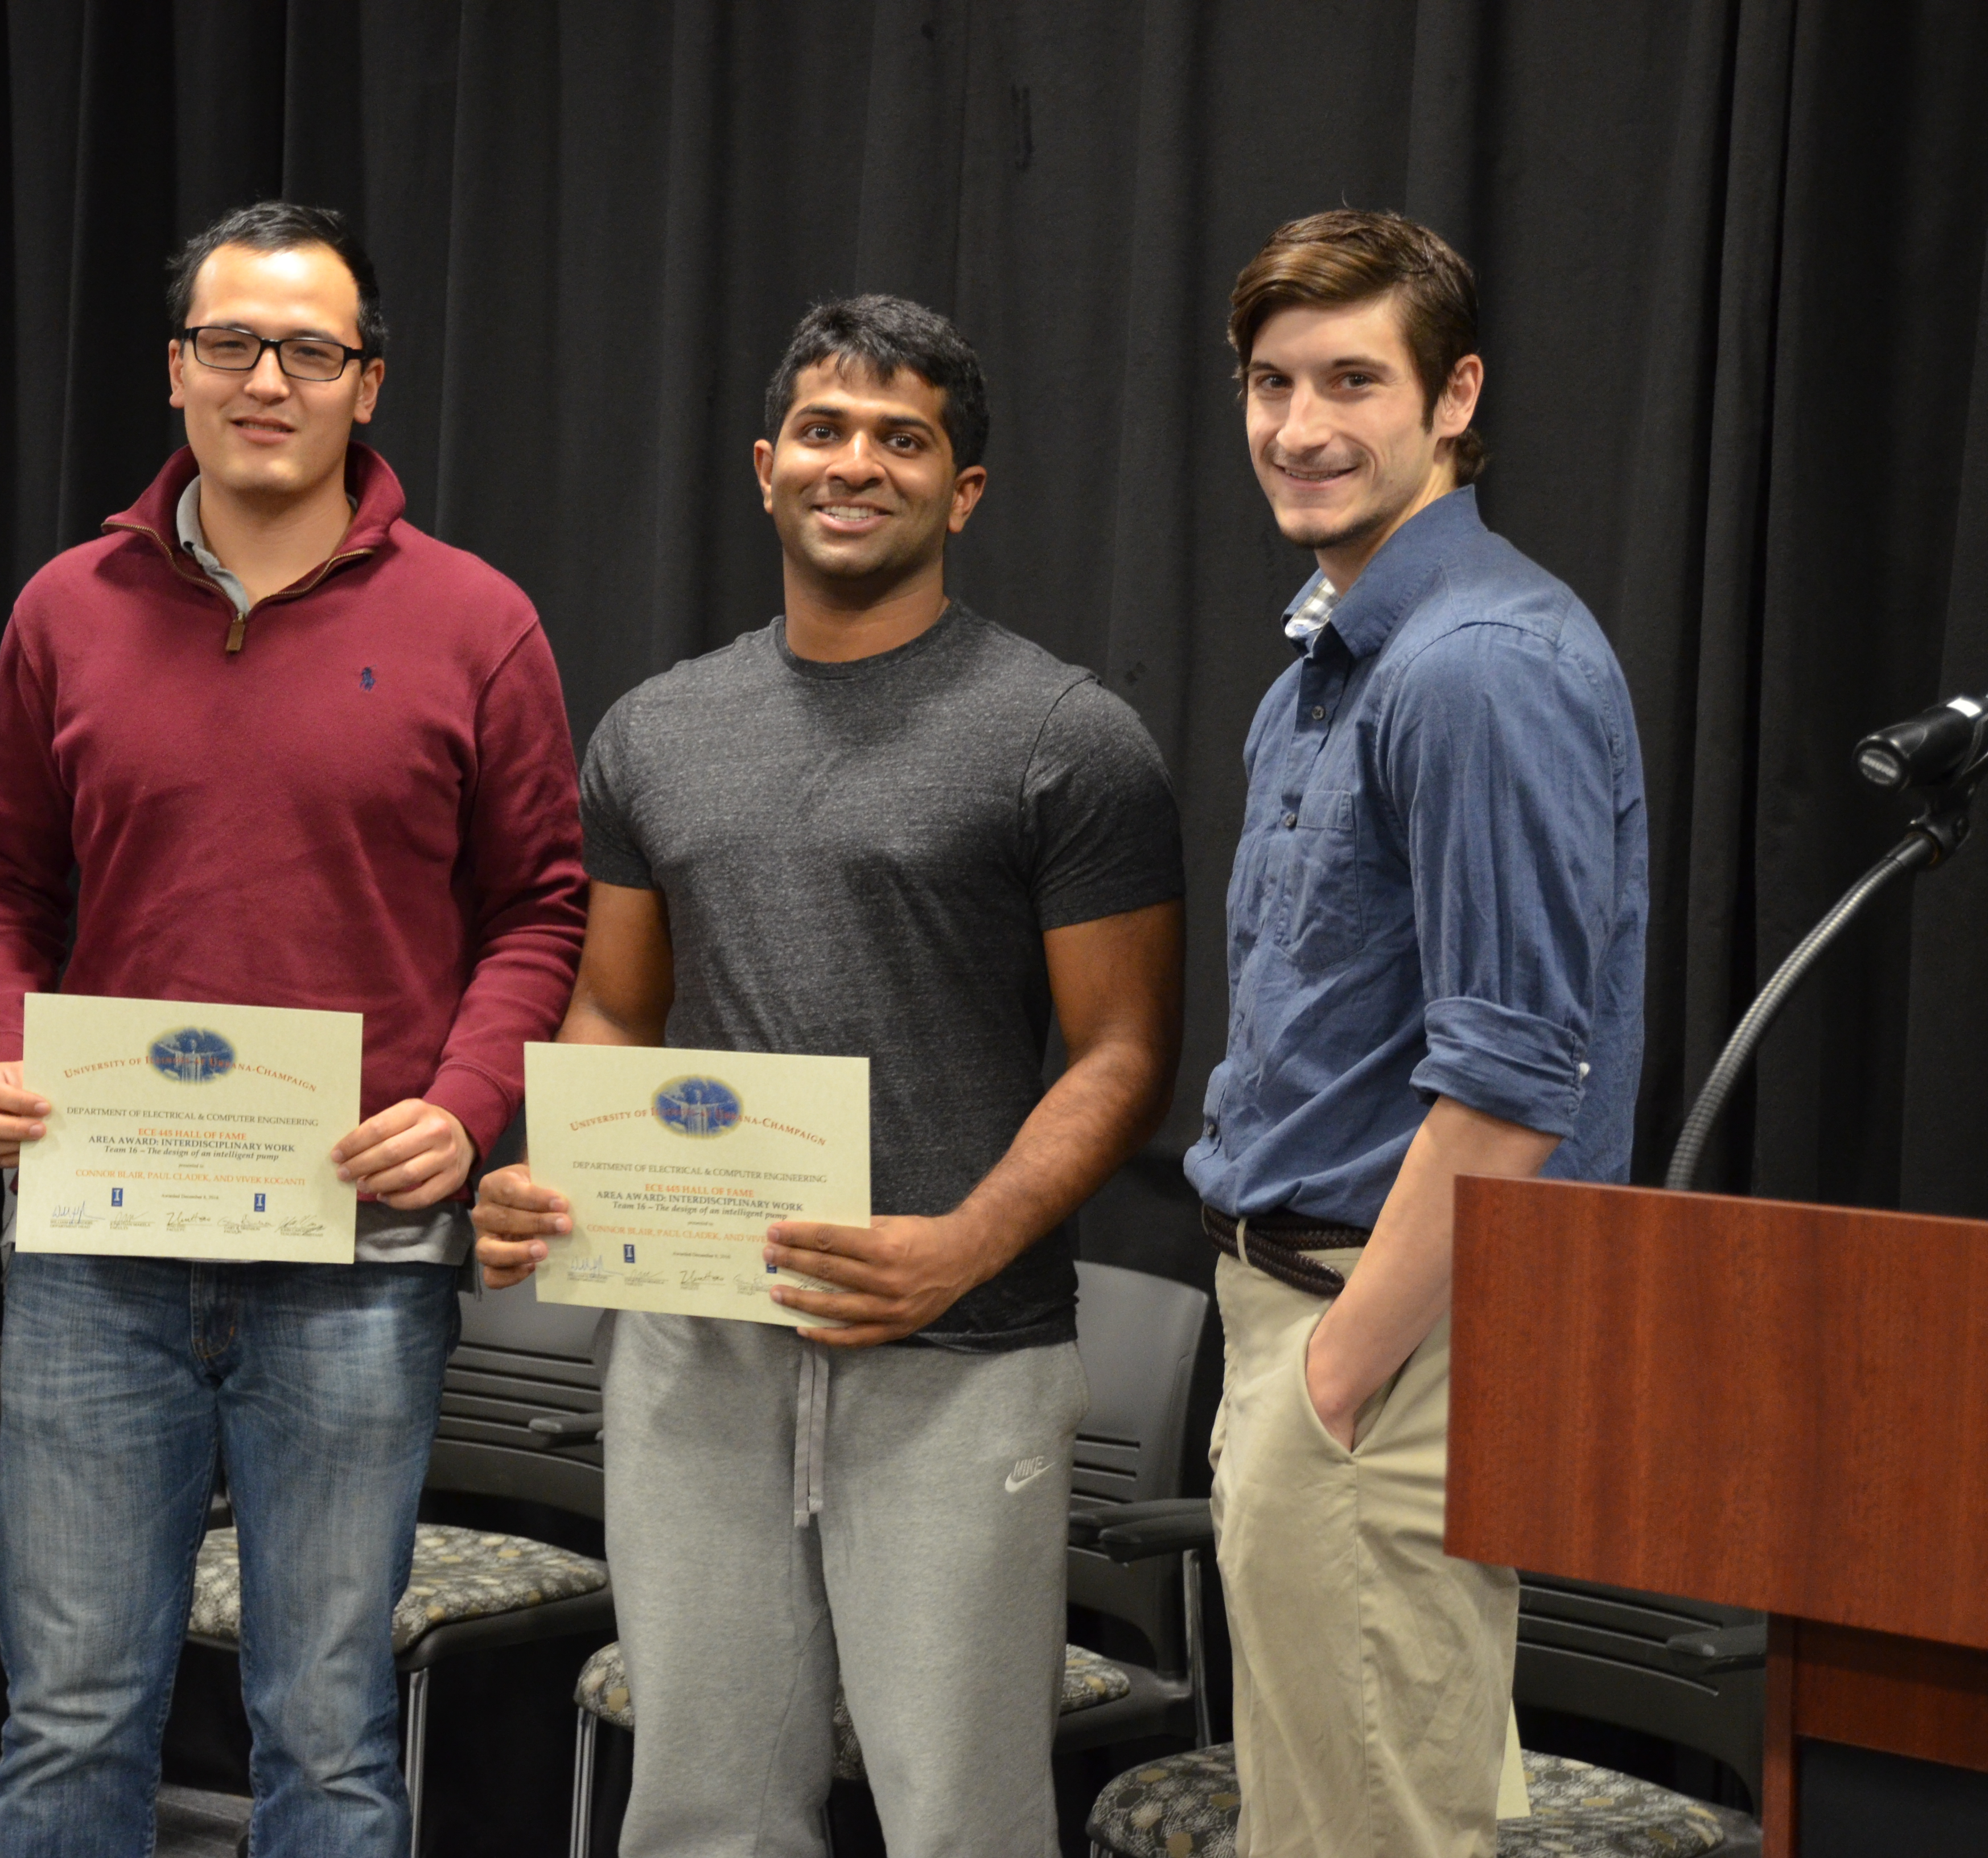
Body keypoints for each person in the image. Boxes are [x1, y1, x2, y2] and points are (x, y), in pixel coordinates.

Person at [475, 295, 1186, 1857]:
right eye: (825, 429)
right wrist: (554, 1174)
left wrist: (964, 1247)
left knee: (960, 1822)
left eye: (902, 437)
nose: (856, 462)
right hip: (695, 1349)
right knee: (703, 1810)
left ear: (965, 488)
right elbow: (611, 1008)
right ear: (766, 465)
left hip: (959, 1353)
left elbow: (1127, 1053)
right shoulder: (657, 728)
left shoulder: (1068, 738)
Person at [0, 200, 588, 1856]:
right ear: (176, 371)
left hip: (363, 1259)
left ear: (366, 382)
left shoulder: (478, 622)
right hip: (96, 1249)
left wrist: (464, 1105)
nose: (267, 379)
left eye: (310, 348)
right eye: (231, 342)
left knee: (328, 1729)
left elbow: (539, 911)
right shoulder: (64, 610)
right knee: (72, 1716)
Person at [1187, 210, 1649, 1858]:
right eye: (1269, 382)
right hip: (1329, 1325)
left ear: (1455, 397)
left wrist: (1330, 1382)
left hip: (1383, 1349)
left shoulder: (1473, 671)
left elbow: (1517, 1085)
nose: (1300, 428)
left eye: (1352, 381)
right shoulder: (1340, 659)